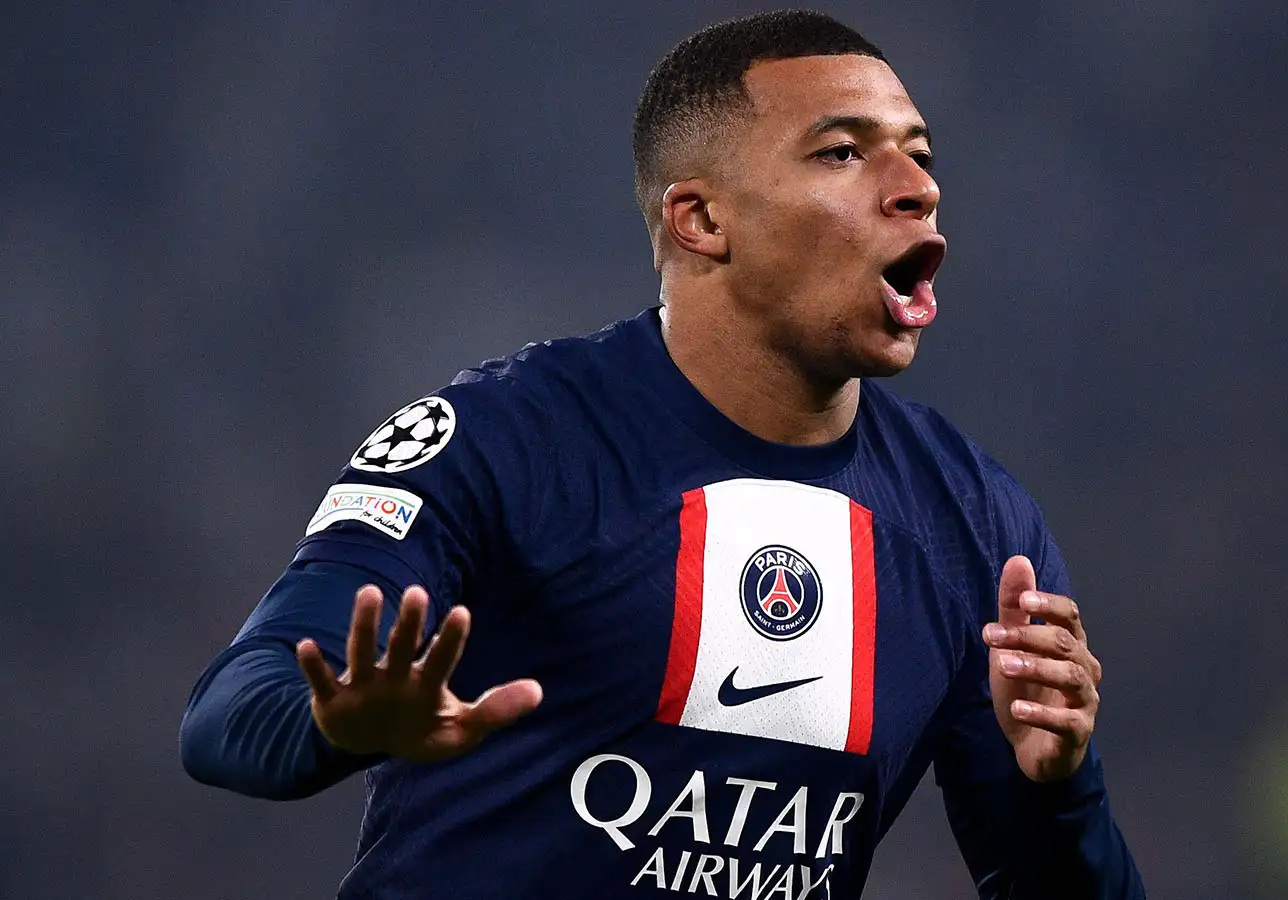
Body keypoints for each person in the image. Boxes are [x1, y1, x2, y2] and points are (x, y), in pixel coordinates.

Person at [180, 10, 1145, 899]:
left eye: (921, 154)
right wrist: (331, 724)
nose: (920, 187)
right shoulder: (502, 439)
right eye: (844, 152)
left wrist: (1061, 790)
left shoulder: (972, 524)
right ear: (703, 221)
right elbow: (227, 714)